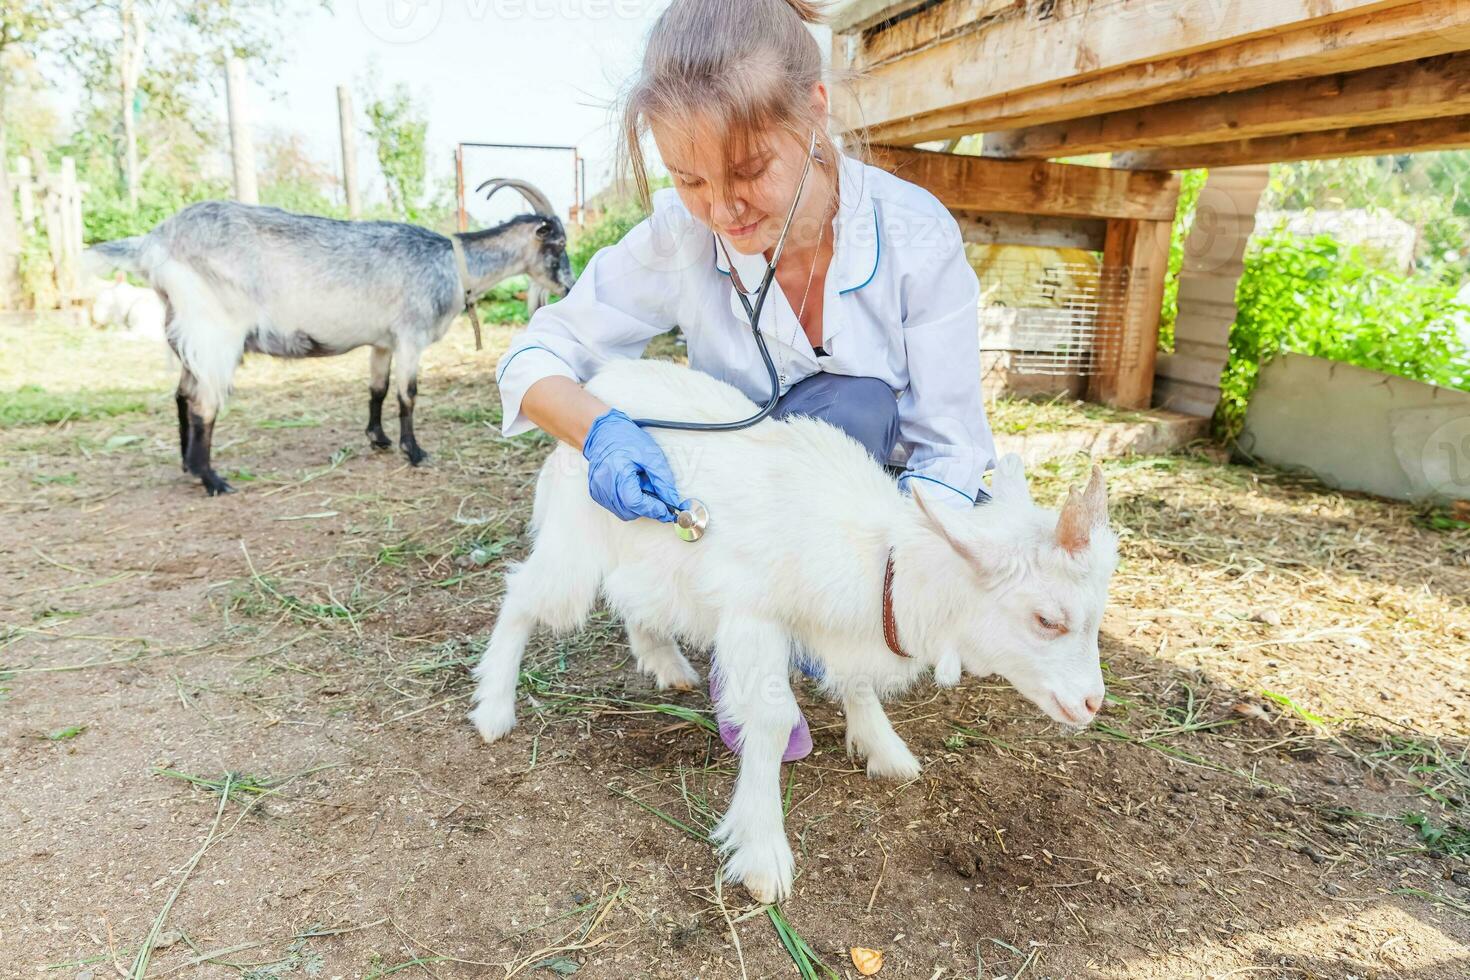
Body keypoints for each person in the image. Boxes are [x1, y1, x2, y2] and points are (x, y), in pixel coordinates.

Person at [494, 0, 998, 763]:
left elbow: (954, 450)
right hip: (739, 510)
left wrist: (893, 582)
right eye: (689, 177)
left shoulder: (915, 234)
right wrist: (597, 430)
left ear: (815, 113)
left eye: (751, 170)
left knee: (854, 407)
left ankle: (813, 634)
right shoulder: (678, 235)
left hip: (862, 516)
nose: (721, 210)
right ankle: (755, 641)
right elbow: (535, 355)